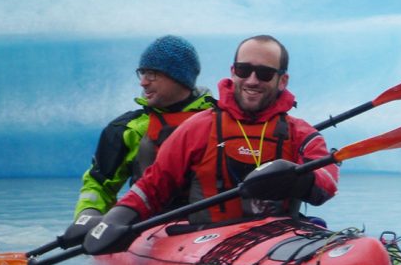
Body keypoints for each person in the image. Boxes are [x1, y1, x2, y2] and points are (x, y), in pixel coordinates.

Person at [86, 34, 339, 248]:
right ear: (233, 72)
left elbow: (327, 182)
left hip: (276, 239)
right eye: (244, 70)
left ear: (282, 80)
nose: (252, 80)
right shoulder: (198, 127)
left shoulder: (301, 133)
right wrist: (117, 218)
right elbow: (153, 185)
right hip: (205, 241)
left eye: (264, 74)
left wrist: (299, 179)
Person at [58, 35, 215, 249]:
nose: (143, 82)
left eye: (152, 74)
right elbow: (98, 185)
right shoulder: (127, 129)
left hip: (213, 231)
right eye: (142, 73)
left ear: (178, 77)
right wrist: (89, 215)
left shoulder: (222, 122)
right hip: (149, 228)